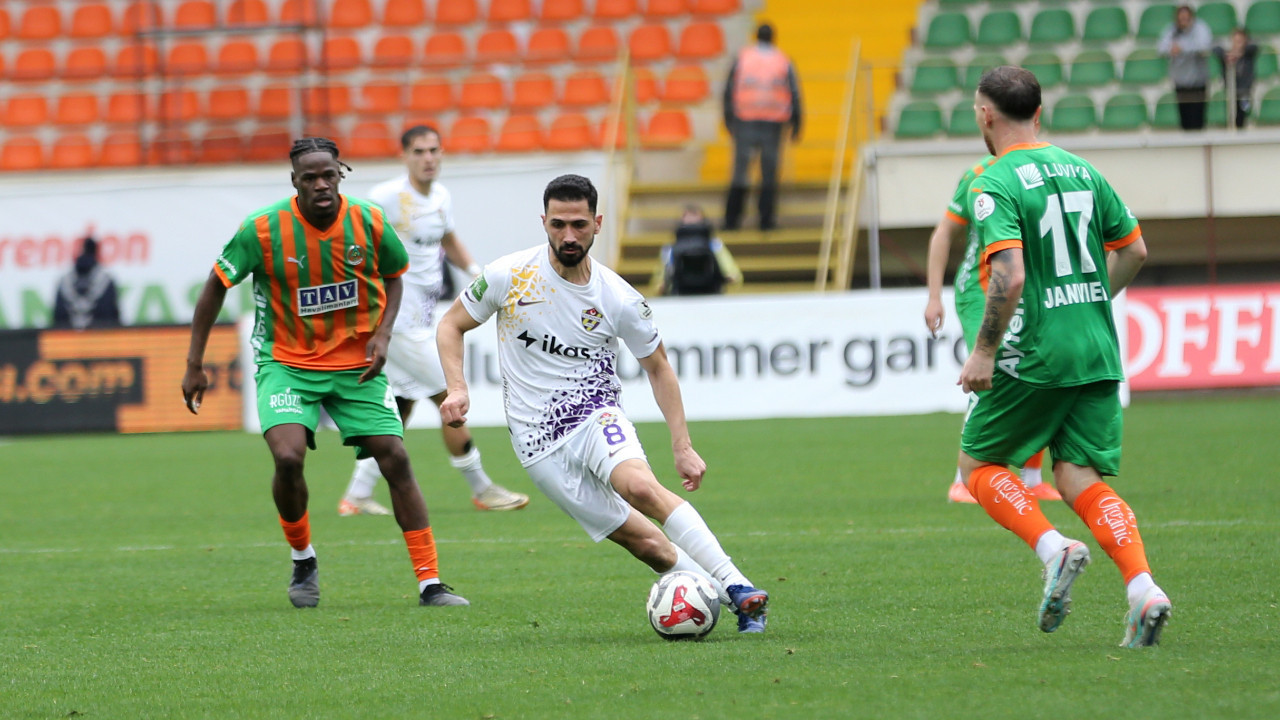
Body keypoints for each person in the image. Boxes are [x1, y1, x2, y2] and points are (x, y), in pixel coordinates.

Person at [436, 174, 771, 633]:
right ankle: (729, 602)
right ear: (544, 222)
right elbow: (450, 325)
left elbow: (659, 367)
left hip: (595, 413)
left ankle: (737, 585)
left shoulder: (618, 297)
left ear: (597, 224)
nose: (568, 236)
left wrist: (682, 445)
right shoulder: (508, 276)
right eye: (558, 224)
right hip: (537, 443)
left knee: (641, 487)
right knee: (649, 546)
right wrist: (457, 388)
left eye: (578, 224)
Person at [182, 137, 469, 609]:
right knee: (288, 457)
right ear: (294, 181)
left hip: (356, 363)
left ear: (341, 175)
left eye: (328, 175)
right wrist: (195, 363)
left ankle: (431, 582)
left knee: (395, 457)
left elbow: (394, 274)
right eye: (309, 177)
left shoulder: (369, 220)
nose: (320, 185)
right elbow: (216, 284)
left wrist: (383, 334)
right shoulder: (262, 229)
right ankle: (303, 558)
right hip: (286, 362)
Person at [959, 66, 1171, 647]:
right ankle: (1143, 588)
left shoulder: (993, 181)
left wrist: (984, 351)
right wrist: (1091, 300)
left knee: (977, 466)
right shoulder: (1083, 169)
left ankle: (1054, 549)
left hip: (1039, 351)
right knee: (1078, 475)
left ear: (986, 115)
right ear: (1039, 112)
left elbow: (1010, 274)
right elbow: (1135, 250)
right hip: (1097, 348)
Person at [338, 125, 529, 516]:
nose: (428, 158)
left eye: (433, 150)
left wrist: (476, 273)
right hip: (397, 323)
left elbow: (448, 240)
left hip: (423, 319)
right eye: (419, 151)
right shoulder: (385, 198)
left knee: (403, 405)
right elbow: (353, 244)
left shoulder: (441, 196)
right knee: (449, 396)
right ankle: (482, 488)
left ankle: (356, 495)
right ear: (404, 156)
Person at [925, 160, 1057, 505]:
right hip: (978, 290)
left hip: (1024, 288)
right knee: (988, 372)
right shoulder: (978, 175)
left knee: (1035, 373)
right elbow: (944, 232)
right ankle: (963, 481)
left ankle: (1032, 479)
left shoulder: (1044, 170)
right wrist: (934, 297)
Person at [722, 22, 802, 232]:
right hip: (772, 123)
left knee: (741, 172)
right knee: (769, 172)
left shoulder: (743, 57)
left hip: (746, 121)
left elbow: (728, 90)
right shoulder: (782, 59)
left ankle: (731, 221)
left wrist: (728, 119)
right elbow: (795, 93)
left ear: (756, 36)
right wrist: (797, 123)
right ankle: (766, 220)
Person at [652, 205, 743, 296]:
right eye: (688, 221)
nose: (692, 224)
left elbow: (734, 275)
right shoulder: (669, 249)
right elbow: (658, 283)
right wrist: (661, 286)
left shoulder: (716, 246)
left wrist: (730, 278)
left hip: (711, 295)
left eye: (695, 220)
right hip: (679, 296)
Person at [1158, 5, 1213, 131]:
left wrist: (1183, 48)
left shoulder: (1200, 28)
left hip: (1198, 82)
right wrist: (1171, 49)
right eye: (1181, 19)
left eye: (1186, 18)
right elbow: (1160, 47)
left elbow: (1204, 45)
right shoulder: (1172, 30)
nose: (1183, 21)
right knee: (1185, 121)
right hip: (1180, 82)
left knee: (1198, 120)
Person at [52, 236, 121, 329]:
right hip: (99, 336)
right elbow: (113, 318)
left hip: (68, 336)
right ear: (97, 252)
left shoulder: (64, 281)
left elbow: (57, 317)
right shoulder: (106, 280)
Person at [1213, 28, 1259, 129]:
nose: (1238, 44)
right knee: (1230, 115)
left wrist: (1240, 52)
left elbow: (1255, 47)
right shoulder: (1226, 54)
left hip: (1245, 92)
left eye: (1240, 41)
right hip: (1230, 92)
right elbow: (1215, 48)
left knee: (1243, 114)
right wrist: (1226, 55)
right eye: (1236, 40)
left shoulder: (1248, 54)